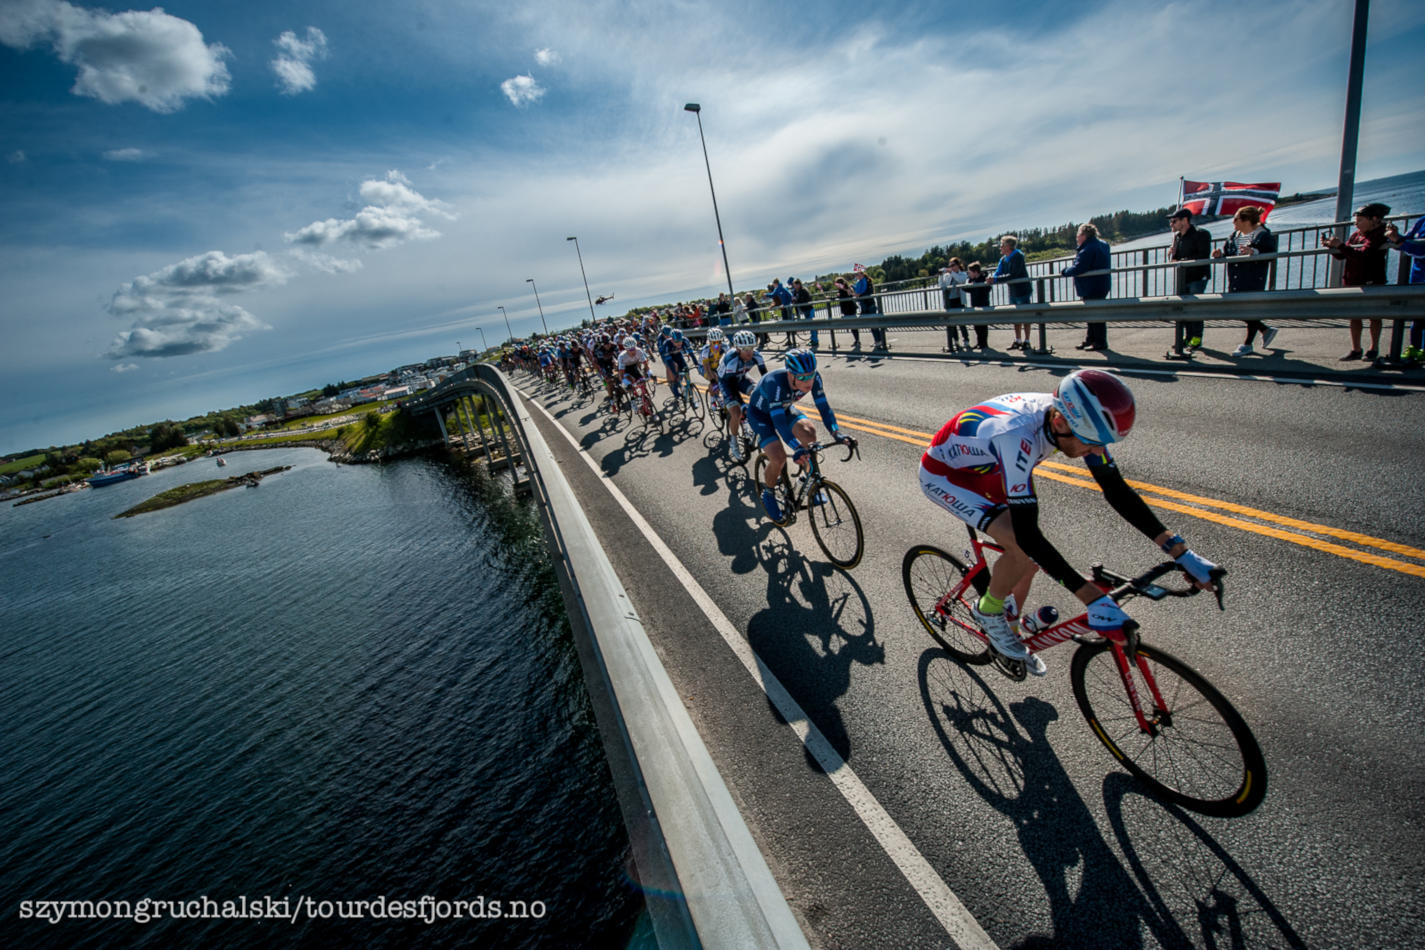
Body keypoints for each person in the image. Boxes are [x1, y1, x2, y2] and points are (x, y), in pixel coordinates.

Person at [918, 369, 1220, 674]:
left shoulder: (1070, 421)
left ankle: (1009, 629)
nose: (1097, 451)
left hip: (991, 466)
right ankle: (989, 612)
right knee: (1023, 548)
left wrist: (1180, 551)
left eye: (1103, 443)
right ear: (1060, 422)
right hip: (947, 475)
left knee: (1032, 557)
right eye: (1091, 443)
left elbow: (1115, 488)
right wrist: (1091, 598)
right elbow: (1027, 536)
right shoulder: (1016, 436)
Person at [746, 347, 847, 521]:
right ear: (790, 374)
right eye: (802, 377)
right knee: (778, 457)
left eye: (811, 375)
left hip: (783, 408)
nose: (808, 381)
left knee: (809, 433)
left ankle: (807, 484)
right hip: (760, 415)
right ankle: (768, 494)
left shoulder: (814, 378)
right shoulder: (775, 382)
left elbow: (824, 408)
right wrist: (796, 447)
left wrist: (837, 433)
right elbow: (778, 422)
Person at [1324, 202, 1391, 361]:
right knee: (1354, 316)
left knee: (1374, 315)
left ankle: (1373, 348)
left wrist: (1340, 246)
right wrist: (1332, 247)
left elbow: (1364, 256)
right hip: (1353, 280)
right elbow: (1344, 255)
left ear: (1374, 219)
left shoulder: (1379, 234)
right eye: (1356, 220)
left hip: (1372, 280)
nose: (1356, 223)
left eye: (1360, 220)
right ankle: (1356, 349)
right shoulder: (1356, 235)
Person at [1212, 206, 1278, 357]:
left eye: (1236, 218)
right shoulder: (1233, 236)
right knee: (1236, 308)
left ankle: (1248, 344)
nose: (1233, 221)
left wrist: (1254, 252)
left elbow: (1271, 254)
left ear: (1246, 221)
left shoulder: (1262, 236)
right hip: (1236, 279)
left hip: (1253, 278)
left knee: (1248, 309)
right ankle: (1265, 330)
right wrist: (1219, 254)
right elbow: (1229, 252)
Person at [718, 329, 769, 462]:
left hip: (741, 377)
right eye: (745, 349)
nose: (749, 352)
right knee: (737, 412)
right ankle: (733, 441)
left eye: (751, 347)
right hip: (727, 382)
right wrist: (742, 405)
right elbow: (733, 388)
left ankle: (750, 425)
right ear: (737, 349)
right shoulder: (732, 359)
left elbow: (766, 378)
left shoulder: (757, 356)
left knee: (759, 393)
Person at [1168, 207, 1212, 352]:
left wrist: (1181, 260)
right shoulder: (1178, 237)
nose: (1171, 224)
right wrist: (1172, 254)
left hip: (1198, 277)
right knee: (1184, 309)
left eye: (1174, 221)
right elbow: (1174, 259)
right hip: (1183, 278)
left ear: (1184, 220)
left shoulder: (1201, 234)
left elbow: (1202, 256)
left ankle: (1196, 338)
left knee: (1195, 309)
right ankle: (1187, 337)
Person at [1062, 223, 1112, 350]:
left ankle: (1099, 342)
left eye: (1078, 235)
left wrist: (1065, 271)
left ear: (1084, 235)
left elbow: (1079, 267)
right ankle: (1091, 340)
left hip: (1091, 285)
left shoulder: (1088, 249)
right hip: (1102, 283)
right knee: (1093, 314)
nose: (1077, 238)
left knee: (1095, 315)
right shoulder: (1103, 244)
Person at [1384, 215, 1425, 363]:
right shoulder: (1422, 220)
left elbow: (1420, 249)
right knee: (1417, 319)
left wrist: (1399, 241)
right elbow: (1407, 240)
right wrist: (1394, 236)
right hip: (1418, 279)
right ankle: (1415, 348)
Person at [989, 235, 1033, 349]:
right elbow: (998, 272)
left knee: (1025, 316)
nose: (1000, 248)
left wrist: (996, 280)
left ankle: (1027, 340)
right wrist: (992, 278)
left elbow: (1013, 274)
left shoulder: (1018, 256)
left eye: (1002, 245)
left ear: (1008, 246)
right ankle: (1018, 340)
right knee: (1016, 317)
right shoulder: (1003, 259)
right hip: (1013, 291)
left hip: (1022, 290)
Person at [939, 259, 972, 352]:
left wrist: (951, 272)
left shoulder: (962, 274)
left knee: (962, 322)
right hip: (950, 301)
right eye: (950, 266)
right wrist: (941, 276)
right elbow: (942, 286)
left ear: (958, 265)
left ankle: (966, 340)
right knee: (952, 324)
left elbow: (961, 280)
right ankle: (956, 341)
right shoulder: (947, 276)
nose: (952, 267)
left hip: (959, 300)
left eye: (953, 265)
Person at [853, 267, 887, 350]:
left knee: (873, 324)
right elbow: (859, 293)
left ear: (861, 274)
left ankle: (879, 341)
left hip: (868, 304)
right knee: (872, 324)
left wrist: (857, 294)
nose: (856, 276)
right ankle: (878, 340)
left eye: (857, 274)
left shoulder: (865, 281)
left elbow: (863, 292)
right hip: (867, 304)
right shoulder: (863, 282)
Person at [964, 262, 991, 349]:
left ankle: (984, 343)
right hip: (975, 305)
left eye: (969, 272)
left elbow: (988, 288)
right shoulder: (972, 280)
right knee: (976, 326)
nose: (969, 274)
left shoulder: (983, 279)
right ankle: (979, 342)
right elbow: (965, 288)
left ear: (975, 272)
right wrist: (968, 281)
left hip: (983, 304)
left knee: (983, 325)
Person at [765, 279, 796, 347]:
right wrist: (766, 295)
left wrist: (782, 304)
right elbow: (773, 297)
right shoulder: (777, 290)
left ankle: (792, 340)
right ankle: (790, 340)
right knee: (786, 324)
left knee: (789, 324)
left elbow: (779, 300)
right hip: (783, 309)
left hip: (786, 308)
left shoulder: (780, 289)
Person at [833, 276, 861, 349]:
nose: (837, 286)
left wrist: (844, 290)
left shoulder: (847, 288)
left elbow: (850, 294)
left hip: (850, 308)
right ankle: (856, 340)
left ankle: (857, 340)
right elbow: (839, 297)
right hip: (846, 309)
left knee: (853, 325)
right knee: (851, 326)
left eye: (838, 284)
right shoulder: (840, 290)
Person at [791, 278, 818, 350]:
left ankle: (815, 340)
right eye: (794, 285)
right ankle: (813, 340)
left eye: (796, 285)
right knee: (810, 326)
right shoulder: (795, 292)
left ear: (799, 284)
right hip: (804, 310)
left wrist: (797, 300)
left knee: (812, 326)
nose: (795, 286)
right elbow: (794, 301)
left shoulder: (804, 291)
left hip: (809, 309)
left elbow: (806, 299)